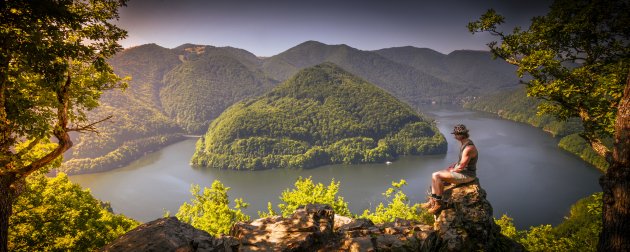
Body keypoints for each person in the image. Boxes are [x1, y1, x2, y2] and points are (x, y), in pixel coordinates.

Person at [421, 124, 478, 214]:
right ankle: (432, 201)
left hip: (467, 175)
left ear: (460, 135)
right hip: (462, 171)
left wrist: (451, 170)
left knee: (437, 176)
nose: (454, 136)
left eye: (455, 134)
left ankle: (439, 203)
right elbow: (461, 162)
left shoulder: (468, 148)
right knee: (434, 175)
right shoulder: (465, 143)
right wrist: (453, 166)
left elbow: (461, 167)